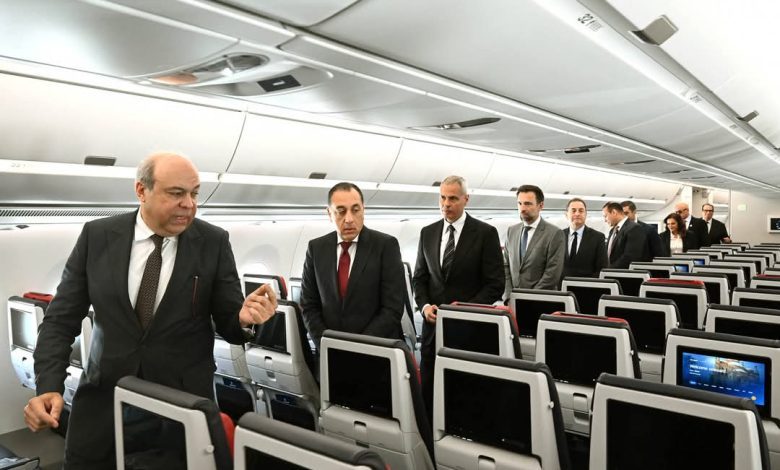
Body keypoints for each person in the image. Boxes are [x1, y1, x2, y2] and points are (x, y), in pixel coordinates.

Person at [25, 153, 278, 469]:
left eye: (194, 193)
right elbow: (60, 321)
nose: (189, 204)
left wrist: (244, 319)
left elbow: (229, 320)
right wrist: (48, 386)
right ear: (141, 191)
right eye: (176, 193)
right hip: (105, 400)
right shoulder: (97, 236)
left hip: (179, 407)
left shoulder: (212, 242)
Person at [412, 175, 504, 419]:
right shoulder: (428, 232)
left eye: (452, 198)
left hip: (469, 330)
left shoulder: (485, 233)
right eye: (442, 198)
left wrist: (461, 310)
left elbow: (495, 284)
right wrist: (424, 306)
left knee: (465, 397)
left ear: (466, 199)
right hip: (433, 331)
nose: (446, 204)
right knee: (430, 394)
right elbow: (419, 278)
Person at [300, 182, 405, 349]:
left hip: (375, 351)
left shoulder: (385, 246)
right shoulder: (316, 248)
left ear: (363, 210)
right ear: (329, 213)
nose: (349, 219)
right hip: (331, 353)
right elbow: (309, 305)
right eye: (341, 211)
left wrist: (358, 348)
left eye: (355, 210)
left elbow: (392, 308)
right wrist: (325, 344)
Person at [504, 185, 565, 295]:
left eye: (528, 204)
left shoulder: (554, 233)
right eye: (520, 203)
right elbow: (505, 266)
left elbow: (552, 274)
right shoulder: (511, 231)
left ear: (540, 206)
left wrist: (530, 298)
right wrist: (508, 295)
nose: (522, 208)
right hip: (513, 298)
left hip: (540, 299)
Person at [563, 198, 607, 278]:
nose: (577, 214)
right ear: (566, 215)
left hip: (587, 284)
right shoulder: (558, 236)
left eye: (581, 211)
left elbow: (602, 268)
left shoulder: (598, 237)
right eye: (573, 211)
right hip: (561, 284)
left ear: (586, 214)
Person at [602, 202, 647, 269]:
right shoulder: (612, 230)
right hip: (610, 272)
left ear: (614, 212)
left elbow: (630, 257)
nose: (605, 220)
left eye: (605, 216)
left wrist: (609, 269)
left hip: (623, 273)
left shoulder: (634, 228)